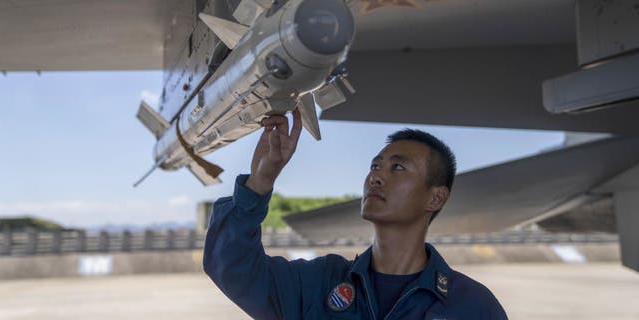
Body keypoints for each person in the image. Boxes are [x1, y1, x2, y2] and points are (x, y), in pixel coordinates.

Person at [203, 109, 508, 319]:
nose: (375, 176)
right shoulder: (317, 285)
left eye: (397, 167)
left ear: (436, 196)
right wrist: (260, 182)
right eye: (375, 166)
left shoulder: (473, 307)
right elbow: (232, 268)